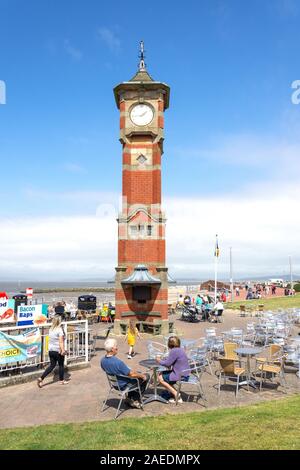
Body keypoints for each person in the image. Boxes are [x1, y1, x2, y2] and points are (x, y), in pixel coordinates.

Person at [101, 338, 149, 409]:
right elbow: (131, 374)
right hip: (123, 385)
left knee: (137, 375)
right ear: (112, 349)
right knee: (145, 376)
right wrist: (142, 375)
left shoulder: (102, 360)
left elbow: (106, 370)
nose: (117, 348)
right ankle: (135, 399)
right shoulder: (118, 362)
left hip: (114, 384)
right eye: (116, 346)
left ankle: (129, 398)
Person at [37, 315, 69, 387]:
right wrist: (63, 350)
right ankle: (62, 380)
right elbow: (61, 342)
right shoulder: (59, 329)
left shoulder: (51, 329)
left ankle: (41, 378)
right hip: (58, 350)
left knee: (52, 365)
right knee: (61, 365)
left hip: (51, 350)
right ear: (59, 321)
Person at [157, 336, 190, 403]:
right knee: (162, 374)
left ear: (170, 344)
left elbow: (167, 364)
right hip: (185, 373)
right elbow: (172, 361)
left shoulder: (174, 351)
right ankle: (175, 394)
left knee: (160, 378)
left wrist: (158, 360)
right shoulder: (180, 349)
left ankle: (176, 394)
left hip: (180, 374)